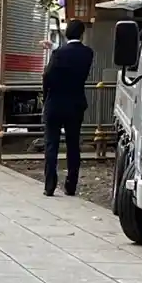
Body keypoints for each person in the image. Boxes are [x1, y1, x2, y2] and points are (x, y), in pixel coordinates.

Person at [42, 17, 94, 197]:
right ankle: (71, 184)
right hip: (75, 103)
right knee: (73, 144)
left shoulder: (58, 54)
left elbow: (47, 76)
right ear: (82, 34)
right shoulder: (88, 53)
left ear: (66, 33)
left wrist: (46, 97)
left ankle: (49, 185)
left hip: (55, 102)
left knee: (51, 144)